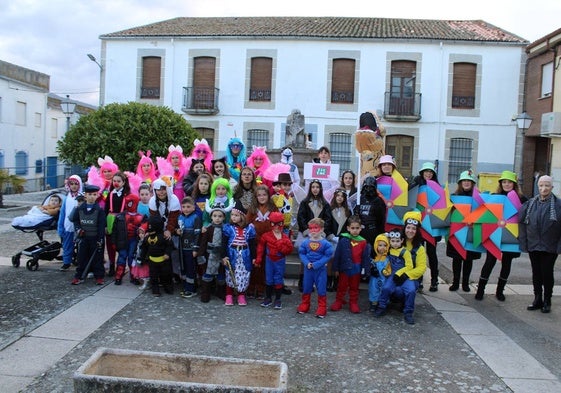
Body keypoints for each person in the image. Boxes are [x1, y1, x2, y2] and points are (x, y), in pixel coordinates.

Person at [475, 170, 528, 301]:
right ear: (500, 183)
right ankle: (481, 289)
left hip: (511, 235)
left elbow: (525, 216)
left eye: (509, 182)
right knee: (489, 261)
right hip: (495, 234)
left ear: (514, 184)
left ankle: (500, 291)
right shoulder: (494, 196)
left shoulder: (522, 199)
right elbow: (485, 214)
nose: (506, 184)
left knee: (507, 263)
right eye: (504, 182)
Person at [519, 175, 561, 313]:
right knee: (536, 273)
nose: (544, 188)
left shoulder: (558, 205)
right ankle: (537, 298)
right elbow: (523, 224)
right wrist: (524, 242)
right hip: (534, 245)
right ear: (538, 187)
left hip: (550, 246)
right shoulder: (530, 204)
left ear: (552, 187)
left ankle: (547, 300)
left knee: (547, 273)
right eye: (541, 185)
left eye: (547, 185)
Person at [375, 211, 426, 324]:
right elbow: (382, 241)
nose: (410, 231)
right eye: (408, 227)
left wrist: (406, 275)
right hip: (392, 274)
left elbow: (422, 267)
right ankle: (381, 306)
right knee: (387, 288)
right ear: (404, 228)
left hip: (409, 276)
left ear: (417, 230)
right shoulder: (396, 240)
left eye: (414, 228)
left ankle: (408, 312)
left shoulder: (419, 248)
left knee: (409, 290)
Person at [296, 179, 334, 292]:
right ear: (310, 189)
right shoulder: (304, 202)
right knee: (306, 257)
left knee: (318, 256)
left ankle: (319, 281)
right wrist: (306, 230)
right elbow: (301, 217)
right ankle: (302, 280)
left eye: (317, 187)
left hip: (320, 235)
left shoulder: (326, 204)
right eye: (313, 187)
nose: (315, 189)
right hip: (307, 233)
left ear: (320, 189)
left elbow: (328, 219)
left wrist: (322, 231)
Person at [446, 170, 481, 292]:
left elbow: (483, 215)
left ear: (473, 183)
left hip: (471, 231)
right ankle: (455, 282)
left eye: (469, 181)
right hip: (457, 231)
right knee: (456, 258)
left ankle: (465, 283)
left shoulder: (478, 199)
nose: (466, 183)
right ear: (460, 183)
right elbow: (448, 214)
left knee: (468, 258)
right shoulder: (454, 197)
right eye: (464, 181)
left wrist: (475, 223)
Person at [329, 215, 371, 313]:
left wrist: (365, 270)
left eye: (357, 228)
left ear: (361, 228)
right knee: (341, 286)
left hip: (356, 268)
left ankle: (353, 302)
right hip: (344, 268)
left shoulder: (363, 242)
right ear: (348, 228)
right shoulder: (343, 240)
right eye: (353, 228)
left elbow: (365, 258)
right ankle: (339, 301)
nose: (355, 230)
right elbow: (338, 255)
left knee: (354, 287)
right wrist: (335, 269)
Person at [410, 162, 441, 292]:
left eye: (430, 172)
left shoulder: (438, 187)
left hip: (432, 225)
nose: (428, 174)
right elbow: (410, 200)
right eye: (426, 171)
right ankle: (419, 279)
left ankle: (434, 280)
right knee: (418, 253)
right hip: (419, 224)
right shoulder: (416, 185)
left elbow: (442, 207)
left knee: (432, 253)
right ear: (422, 173)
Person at [221, 201, 257, 306]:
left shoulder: (249, 228)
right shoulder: (228, 228)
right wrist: (223, 256)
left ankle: (241, 295)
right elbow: (223, 243)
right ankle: (229, 295)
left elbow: (252, 244)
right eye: (232, 215)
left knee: (243, 275)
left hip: (245, 255)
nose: (233, 217)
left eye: (236, 215)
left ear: (242, 216)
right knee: (230, 273)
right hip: (232, 254)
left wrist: (254, 257)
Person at [255, 211, 294, 309]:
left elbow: (289, 250)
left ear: (282, 224)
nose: (276, 227)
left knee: (278, 279)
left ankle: (278, 299)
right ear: (270, 224)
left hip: (279, 261)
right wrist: (258, 259)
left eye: (279, 224)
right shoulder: (266, 236)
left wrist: (282, 247)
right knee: (269, 279)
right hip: (269, 261)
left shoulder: (285, 237)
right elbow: (260, 248)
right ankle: (268, 298)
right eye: (274, 224)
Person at [297, 217, 334, 318]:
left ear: (322, 229)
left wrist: (317, 264)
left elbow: (328, 256)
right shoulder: (305, 242)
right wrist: (306, 262)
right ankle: (305, 304)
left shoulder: (326, 243)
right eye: (311, 228)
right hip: (308, 269)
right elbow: (302, 253)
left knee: (321, 288)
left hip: (320, 270)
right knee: (306, 287)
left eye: (316, 228)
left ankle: (322, 307)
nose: (313, 231)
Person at [246, 185, 279, 299]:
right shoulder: (253, 209)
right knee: (254, 264)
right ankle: (250, 287)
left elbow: (278, 222)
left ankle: (261, 288)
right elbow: (247, 222)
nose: (262, 197)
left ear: (268, 196)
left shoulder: (273, 208)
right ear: (256, 197)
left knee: (264, 266)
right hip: (255, 242)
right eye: (259, 195)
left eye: (264, 195)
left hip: (268, 242)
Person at [70, 185, 106, 286]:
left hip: (95, 238)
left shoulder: (99, 210)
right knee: (81, 258)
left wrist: (100, 239)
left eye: (94, 195)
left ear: (97, 195)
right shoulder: (80, 208)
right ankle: (79, 276)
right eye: (89, 194)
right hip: (84, 238)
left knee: (98, 259)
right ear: (85, 195)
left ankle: (99, 277)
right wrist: (78, 229)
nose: (91, 197)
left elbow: (101, 225)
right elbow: (75, 220)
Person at [111, 194, 145, 285]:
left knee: (132, 258)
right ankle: (118, 276)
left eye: (131, 202)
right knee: (122, 258)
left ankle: (133, 276)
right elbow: (114, 231)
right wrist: (113, 242)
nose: (128, 204)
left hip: (133, 241)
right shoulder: (120, 216)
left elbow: (143, 228)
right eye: (127, 202)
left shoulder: (141, 217)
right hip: (122, 240)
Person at [138, 215, 174, 296]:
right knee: (153, 277)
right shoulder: (148, 238)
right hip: (152, 260)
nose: (150, 227)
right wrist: (142, 258)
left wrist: (167, 253)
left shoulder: (164, 237)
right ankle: (155, 290)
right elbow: (144, 248)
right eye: (149, 226)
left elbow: (170, 245)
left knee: (166, 276)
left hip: (163, 260)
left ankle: (168, 288)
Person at [197, 208, 227, 302]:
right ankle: (205, 294)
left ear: (224, 218)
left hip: (221, 256)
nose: (217, 218)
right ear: (211, 217)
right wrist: (201, 255)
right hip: (209, 256)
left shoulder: (225, 229)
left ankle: (221, 293)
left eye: (220, 216)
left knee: (221, 276)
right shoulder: (208, 229)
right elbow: (203, 243)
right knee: (207, 275)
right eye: (215, 216)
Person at [104, 171, 131, 277]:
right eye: (114, 181)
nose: (116, 183)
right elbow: (106, 209)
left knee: (120, 244)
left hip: (121, 221)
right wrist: (105, 225)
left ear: (123, 182)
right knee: (110, 244)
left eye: (118, 181)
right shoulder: (110, 194)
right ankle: (111, 265)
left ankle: (121, 266)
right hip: (110, 219)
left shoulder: (127, 195)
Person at [176, 196, 202, 298]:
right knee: (184, 268)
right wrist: (176, 231)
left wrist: (195, 248)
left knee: (191, 268)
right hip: (182, 248)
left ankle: (191, 289)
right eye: (184, 207)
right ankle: (186, 286)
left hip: (191, 248)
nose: (186, 209)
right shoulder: (180, 217)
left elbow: (197, 234)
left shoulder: (195, 218)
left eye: (188, 206)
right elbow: (177, 229)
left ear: (193, 207)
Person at [327, 188, 351, 291]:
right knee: (330, 261)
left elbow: (348, 227)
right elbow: (327, 224)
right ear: (335, 197)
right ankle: (329, 280)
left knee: (339, 261)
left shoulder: (348, 211)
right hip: (331, 239)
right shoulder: (329, 209)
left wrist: (342, 238)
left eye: (342, 196)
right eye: (338, 195)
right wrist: (331, 236)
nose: (340, 198)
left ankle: (336, 281)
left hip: (341, 240)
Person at [58, 175, 83, 271]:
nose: (74, 186)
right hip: (68, 225)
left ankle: (80, 262)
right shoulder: (66, 198)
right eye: (71, 184)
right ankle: (66, 262)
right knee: (67, 245)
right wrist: (60, 227)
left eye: (76, 184)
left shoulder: (82, 197)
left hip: (79, 226)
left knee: (81, 246)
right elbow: (62, 213)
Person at [353, 176, 386, 248]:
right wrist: (356, 213)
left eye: (370, 187)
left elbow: (381, 219)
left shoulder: (378, 201)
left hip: (372, 231)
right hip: (360, 230)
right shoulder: (359, 199)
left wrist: (380, 234)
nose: (368, 190)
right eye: (366, 187)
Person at [132, 183, 151, 290]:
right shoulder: (137, 205)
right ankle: (139, 276)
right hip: (138, 233)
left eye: (146, 194)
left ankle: (147, 277)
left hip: (148, 233)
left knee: (146, 256)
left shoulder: (152, 205)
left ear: (150, 194)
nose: (144, 196)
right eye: (142, 194)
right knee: (138, 254)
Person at [368, 233, 391, 312]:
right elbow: (370, 265)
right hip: (375, 278)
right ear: (376, 246)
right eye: (380, 245)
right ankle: (373, 303)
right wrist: (372, 269)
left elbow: (389, 268)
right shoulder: (373, 258)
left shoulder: (388, 259)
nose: (382, 248)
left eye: (385, 245)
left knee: (384, 290)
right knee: (374, 289)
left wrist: (387, 272)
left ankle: (383, 303)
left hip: (384, 278)